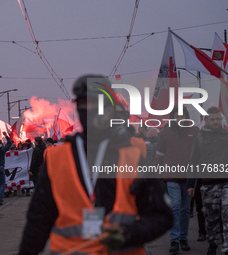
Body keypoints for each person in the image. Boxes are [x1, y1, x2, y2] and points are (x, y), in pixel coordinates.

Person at [19, 75, 173, 255]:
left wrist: (128, 234)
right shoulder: (57, 159)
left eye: (96, 103)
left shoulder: (132, 156)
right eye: (84, 103)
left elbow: (162, 215)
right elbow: (38, 222)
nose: (90, 109)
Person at [187, 107, 228, 255]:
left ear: (221, 119)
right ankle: (213, 244)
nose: (216, 122)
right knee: (211, 217)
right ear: (206, 121)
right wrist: (190, 184)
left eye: (218, 119)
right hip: (208, 184)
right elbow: (193, 162)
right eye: (213, 119)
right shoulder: (200, 139)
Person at [154, 106, 199, 253]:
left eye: (182, 116)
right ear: (173, 117)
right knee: (175, 206)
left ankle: (183, 239)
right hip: (171, 175)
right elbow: (159, 154)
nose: (180, 119)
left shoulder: (194, 131)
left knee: (186, 209)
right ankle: (174, 240)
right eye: (177, 116)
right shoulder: (165, 132)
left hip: (189, 177)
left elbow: (200, 153)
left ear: (186, 117)